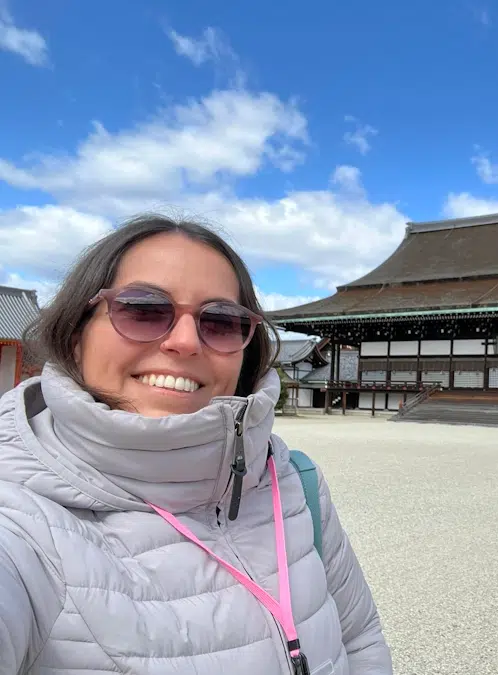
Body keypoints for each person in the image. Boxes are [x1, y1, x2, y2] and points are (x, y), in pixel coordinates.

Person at [0, 215, 393, 674]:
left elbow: (360, 639)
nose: (185, 342)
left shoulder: (293, 483)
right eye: (142, 309)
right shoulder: (19, 520)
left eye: (222, 321)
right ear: (76, 333)